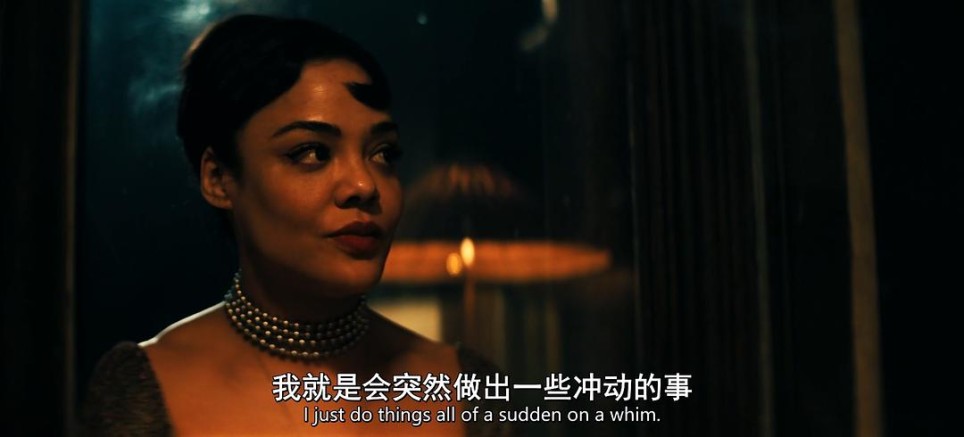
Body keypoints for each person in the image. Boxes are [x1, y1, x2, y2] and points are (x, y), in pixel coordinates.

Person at [81, 14, 507, 436]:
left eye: (383, 153)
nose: (364, 185)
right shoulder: (150, 388)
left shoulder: (465, 388)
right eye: (312, 152)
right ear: (218, 179)